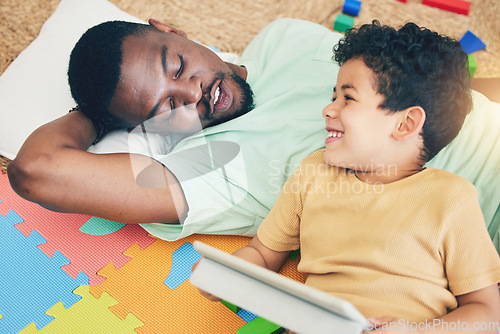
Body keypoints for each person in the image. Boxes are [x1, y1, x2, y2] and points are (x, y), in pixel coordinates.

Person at [7, 18, 500, 247]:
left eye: (178, 65)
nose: (194, 91)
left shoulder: (284, 36)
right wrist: (101, 116)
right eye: (166, 106)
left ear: (172, 28)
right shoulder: (207, 163)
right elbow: (37, 171)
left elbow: (426, 75)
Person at [197, 21, 500, 333]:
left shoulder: (451, 197)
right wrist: (228, 273)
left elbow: (488, 312)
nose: (328, 109)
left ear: (406, 124)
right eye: (333, 96)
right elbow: (262, 253)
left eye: (348, 98)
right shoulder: (314, 174)